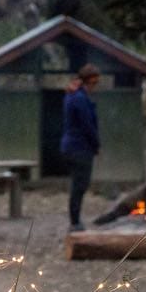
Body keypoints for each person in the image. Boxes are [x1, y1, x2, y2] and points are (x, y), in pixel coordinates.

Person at [60, 64, 103, 231]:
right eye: (95, 83)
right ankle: (75, 221)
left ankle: (75, 220)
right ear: (89, 81)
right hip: (79, 148)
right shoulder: (79, 98)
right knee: (80, 185)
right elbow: (87, 125)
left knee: (78, 185)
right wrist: (96, 144)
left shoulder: (73, 96)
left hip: (72, 146)